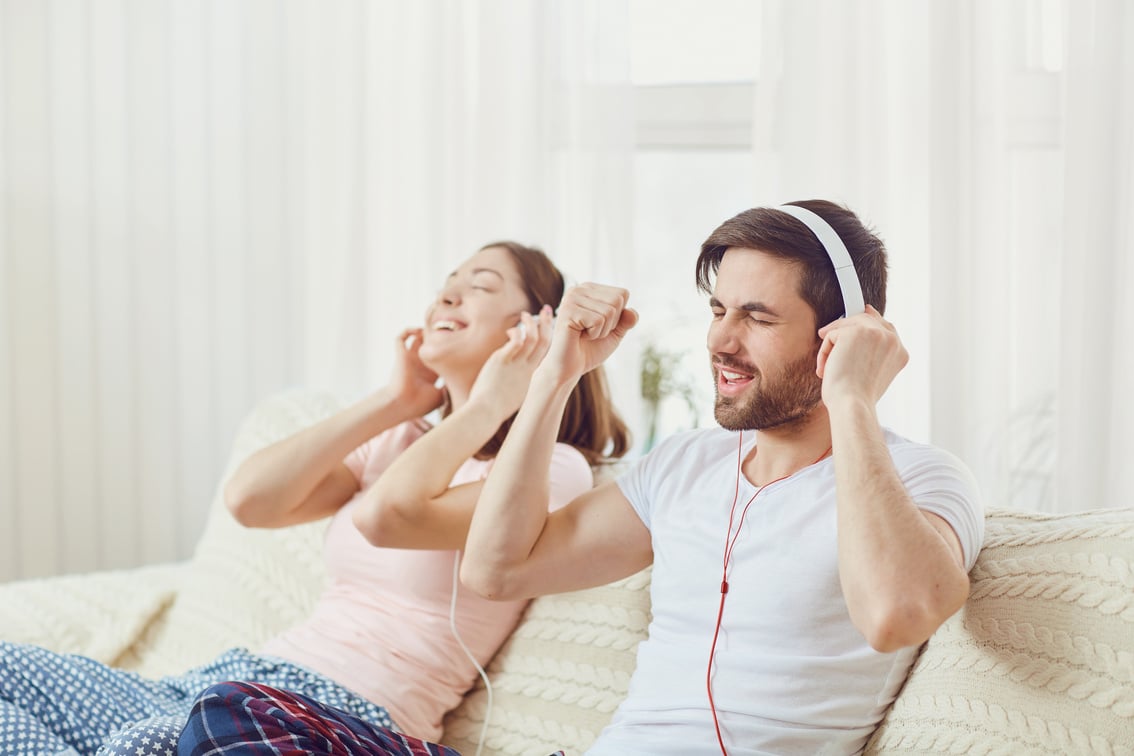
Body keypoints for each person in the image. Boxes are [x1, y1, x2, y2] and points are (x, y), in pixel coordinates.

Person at [176, 200, 983, 755]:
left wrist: (851, 404)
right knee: (220, 721)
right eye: (717, 311)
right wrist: (558, 374)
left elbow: (896, 613)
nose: (721, 343)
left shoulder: (921, 481)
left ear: (844, 335)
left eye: (758, 318)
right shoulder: (687, 470)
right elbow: (500, 566)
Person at [0, 241, 629, 756]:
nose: (447, 293)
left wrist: (498, 401)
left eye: (482, 284)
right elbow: (250, 501)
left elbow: (389, 518)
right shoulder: (402, 442)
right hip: (228, 683)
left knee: (143, 745)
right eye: (448, 280)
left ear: (531, 327)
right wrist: (393, 403)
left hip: (340, 715)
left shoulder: (549, 468)